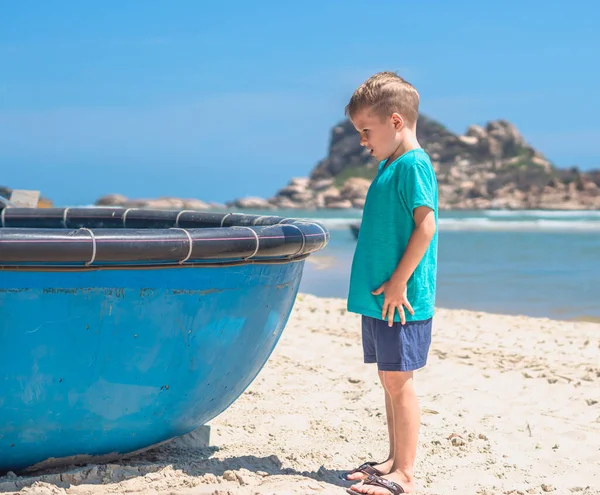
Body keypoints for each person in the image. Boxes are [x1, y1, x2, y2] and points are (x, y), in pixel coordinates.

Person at [342, 71, 439, 495]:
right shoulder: (389, 164)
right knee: (389, 377)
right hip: (382, 298)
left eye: (366, 130)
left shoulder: (414, 164)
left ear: (396, 121)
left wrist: (399, 282)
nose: (363, 140)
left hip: (402, 298)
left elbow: (426, 227)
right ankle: (392, 459)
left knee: (400, 382)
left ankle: (406, 473)